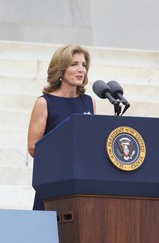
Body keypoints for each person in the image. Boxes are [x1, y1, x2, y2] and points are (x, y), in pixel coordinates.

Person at [27, 44, 96, 210]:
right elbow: (33, 147)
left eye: (84, 65)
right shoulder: (44, 102)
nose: (81, 69)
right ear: (60, 69)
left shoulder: (88, 102)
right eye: (74, 64)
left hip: (82, 182)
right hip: (54, 181)